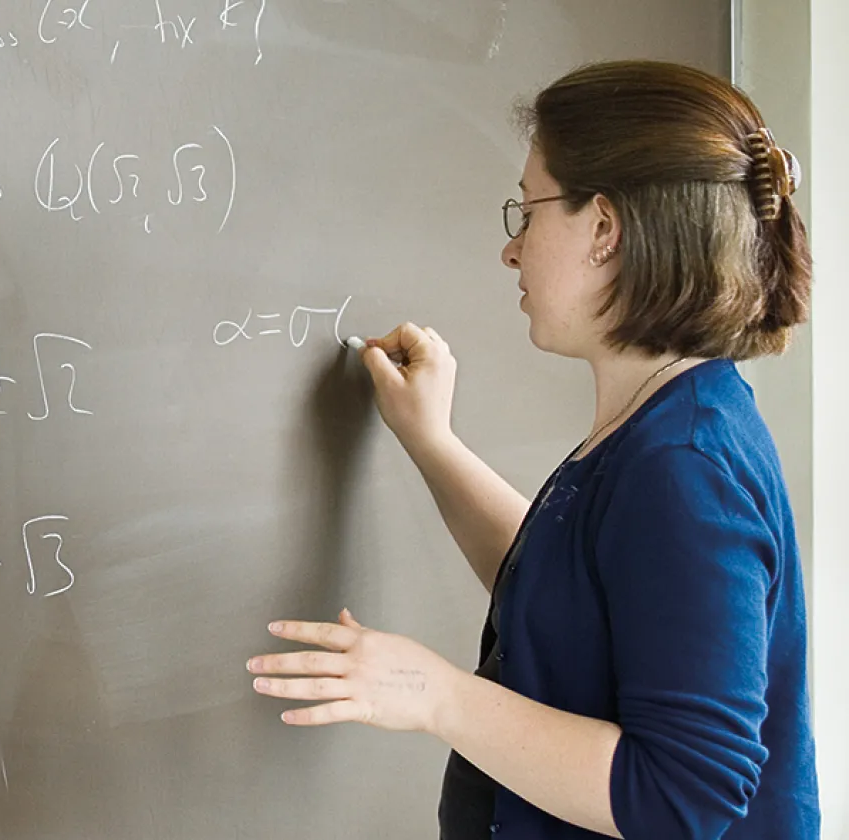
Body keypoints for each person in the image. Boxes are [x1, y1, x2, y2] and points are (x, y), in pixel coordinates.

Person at [245, 59, 820, 839]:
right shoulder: (661, 424)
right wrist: (432, 443)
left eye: (529, 211)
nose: (512, 251)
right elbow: (571, 589)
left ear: (605, 230)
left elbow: (685, 796)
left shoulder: (684, 468)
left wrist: (435, 695)